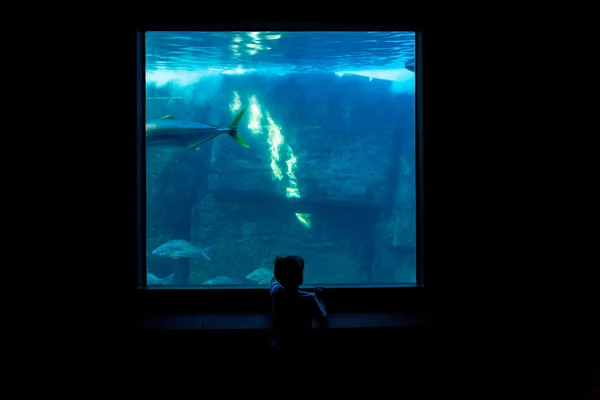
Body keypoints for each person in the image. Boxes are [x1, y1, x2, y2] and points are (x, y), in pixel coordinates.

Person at [269, 255, 328, 353]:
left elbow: (273, 282)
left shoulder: (276, 293)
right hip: (301, 346)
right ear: (300, 278)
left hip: (277, 346)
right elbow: (322, 317)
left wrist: (279, 271)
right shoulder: (309, 298)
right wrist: (321, 298)